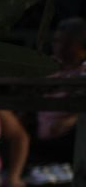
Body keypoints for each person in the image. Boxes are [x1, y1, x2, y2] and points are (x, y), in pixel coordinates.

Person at [33, 18, 85, 165]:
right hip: (41, 134)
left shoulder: (83, 70)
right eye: (56, 41)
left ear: (78, 44)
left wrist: (72, 120)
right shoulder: (48, 67)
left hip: (70, 138)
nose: (57, 46)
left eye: (63, 41)